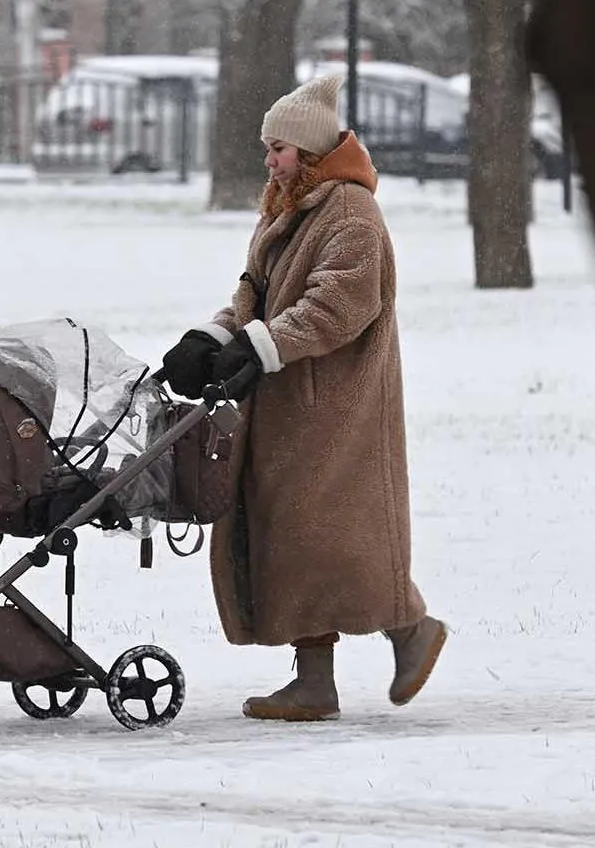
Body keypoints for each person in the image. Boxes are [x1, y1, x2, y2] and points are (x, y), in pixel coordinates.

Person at [158, 75, 450, 722]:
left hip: (334, 403)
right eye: (268, 148)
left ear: (311, 151)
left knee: (330, 535)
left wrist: (259, 347)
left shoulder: (350, 212)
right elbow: (253, 293)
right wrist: (211, 338)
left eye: (280, 148)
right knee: (288, 533)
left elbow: (339, 305)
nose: (270, 160)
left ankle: (409, 626)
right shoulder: (288, 206)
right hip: (289, 397)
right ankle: (315, 678)